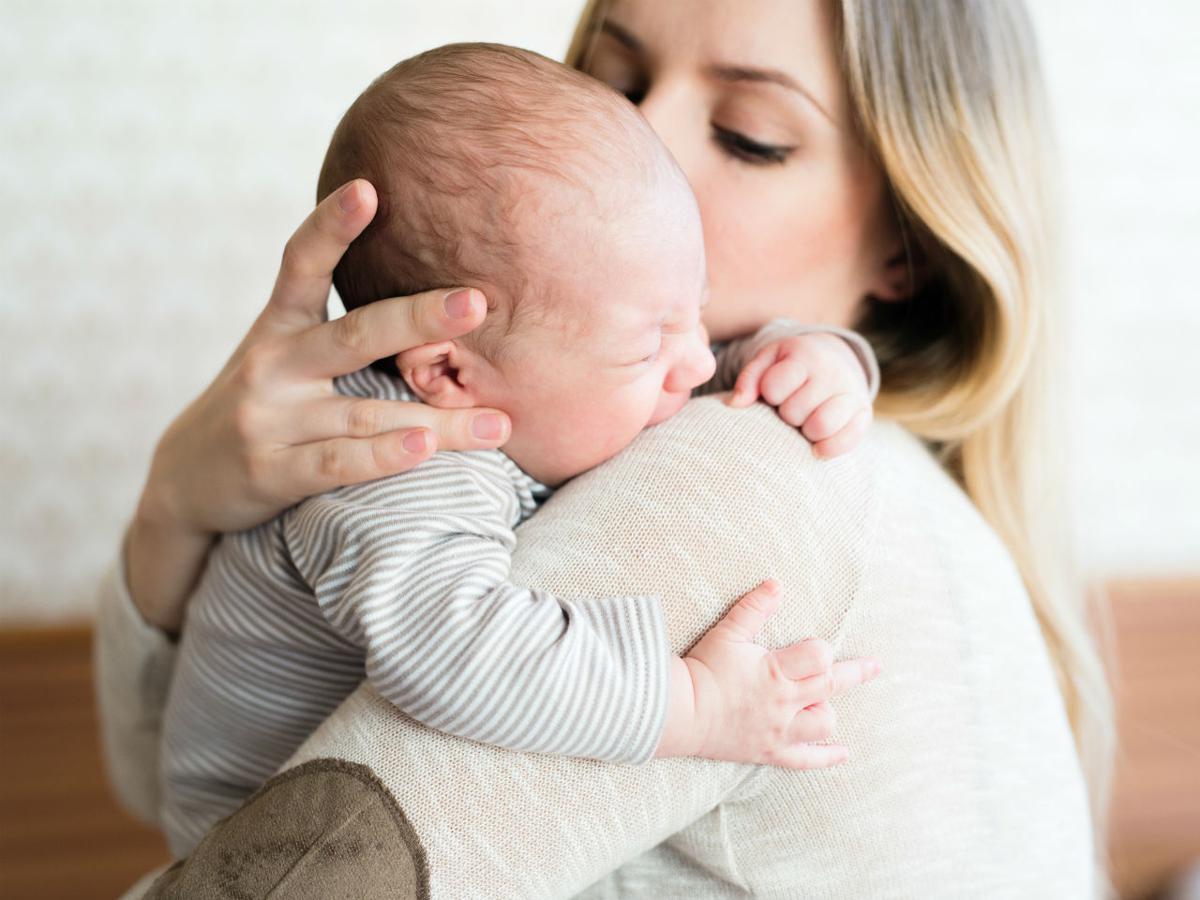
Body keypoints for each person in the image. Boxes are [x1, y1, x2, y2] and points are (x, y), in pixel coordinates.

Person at [95, 0, 1114, 896]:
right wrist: (180, 502)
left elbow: (276, 862)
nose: (639, 137)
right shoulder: (453, 454)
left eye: (748, 134)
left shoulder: (743, 472)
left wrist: (694, 704)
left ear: (908, 244)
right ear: (450, 367)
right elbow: (186, 788)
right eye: (616, 77)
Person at [158, 42, 880, 856]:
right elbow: (457, 654)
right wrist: (695, 703)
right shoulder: (395, 466)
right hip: (265, 840)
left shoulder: (558, 359)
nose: (699, 361)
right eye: (649, 347)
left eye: (699, 311)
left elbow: (685, 361)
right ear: (449, 373)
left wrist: (811, 357)